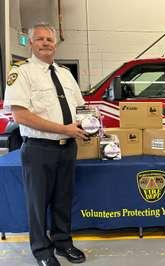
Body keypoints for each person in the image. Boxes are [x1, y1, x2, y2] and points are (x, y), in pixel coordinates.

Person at [4, 23, 88, 266]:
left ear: (55, 43)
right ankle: (42, 251)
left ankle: (63, 243)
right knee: (38, 203)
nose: (45, 43)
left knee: (63, 199)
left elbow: (81, 109)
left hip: (67, 147)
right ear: (30, 43)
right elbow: (21, 116)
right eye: (39, 39)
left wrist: (89, 125)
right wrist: (64, 129)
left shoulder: (64, 73)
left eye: (49, 39)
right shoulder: (21, 72)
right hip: (39, 149)